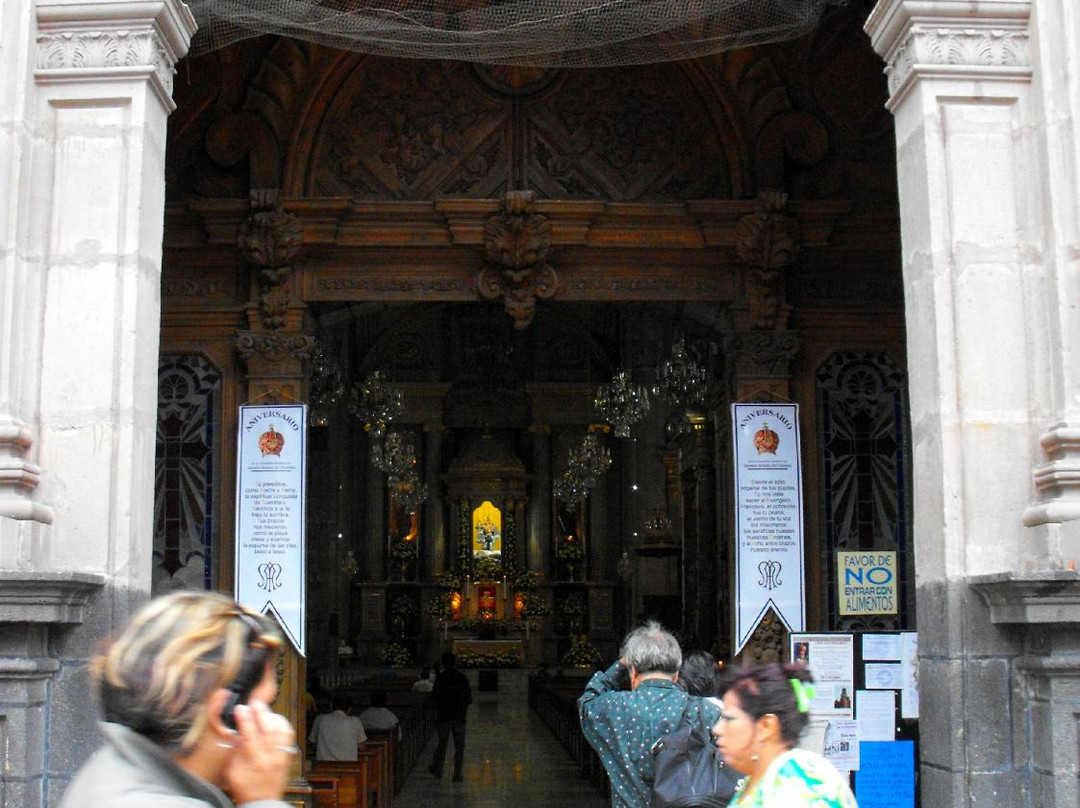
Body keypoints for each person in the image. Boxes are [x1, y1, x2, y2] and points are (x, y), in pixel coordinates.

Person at [59, 591, 297, 808]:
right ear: (223, 715)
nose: (273, 724)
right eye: (265, 707)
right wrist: (264, 800)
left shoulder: (111, 772)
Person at [578, 621, 721, 808]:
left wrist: (621, 665)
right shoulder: (705, 710)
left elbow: (587, 701)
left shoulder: (613, 708)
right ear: (677, 674)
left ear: (634, 672)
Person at [712, 663, 858, 808]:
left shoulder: (794, 792)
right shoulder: (761, 779)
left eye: (729, 719)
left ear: (765, 727)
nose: (717, 729)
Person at [428, 651, 472, 783]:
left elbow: (435, 696)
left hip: (444, 716)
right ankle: (457, 773)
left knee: (442, 744)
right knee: (459, 746)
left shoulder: (441, 678)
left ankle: (438, 770)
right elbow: (468, 698)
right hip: (458, 716)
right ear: (455, 662)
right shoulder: (461, 677)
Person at [309, 693, 367, 761]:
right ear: (349, 709)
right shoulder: (355, 721)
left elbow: (313, 742)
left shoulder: (320, 720)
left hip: (323, 766)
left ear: (331, 706)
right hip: (349, 767)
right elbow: (362, 747)